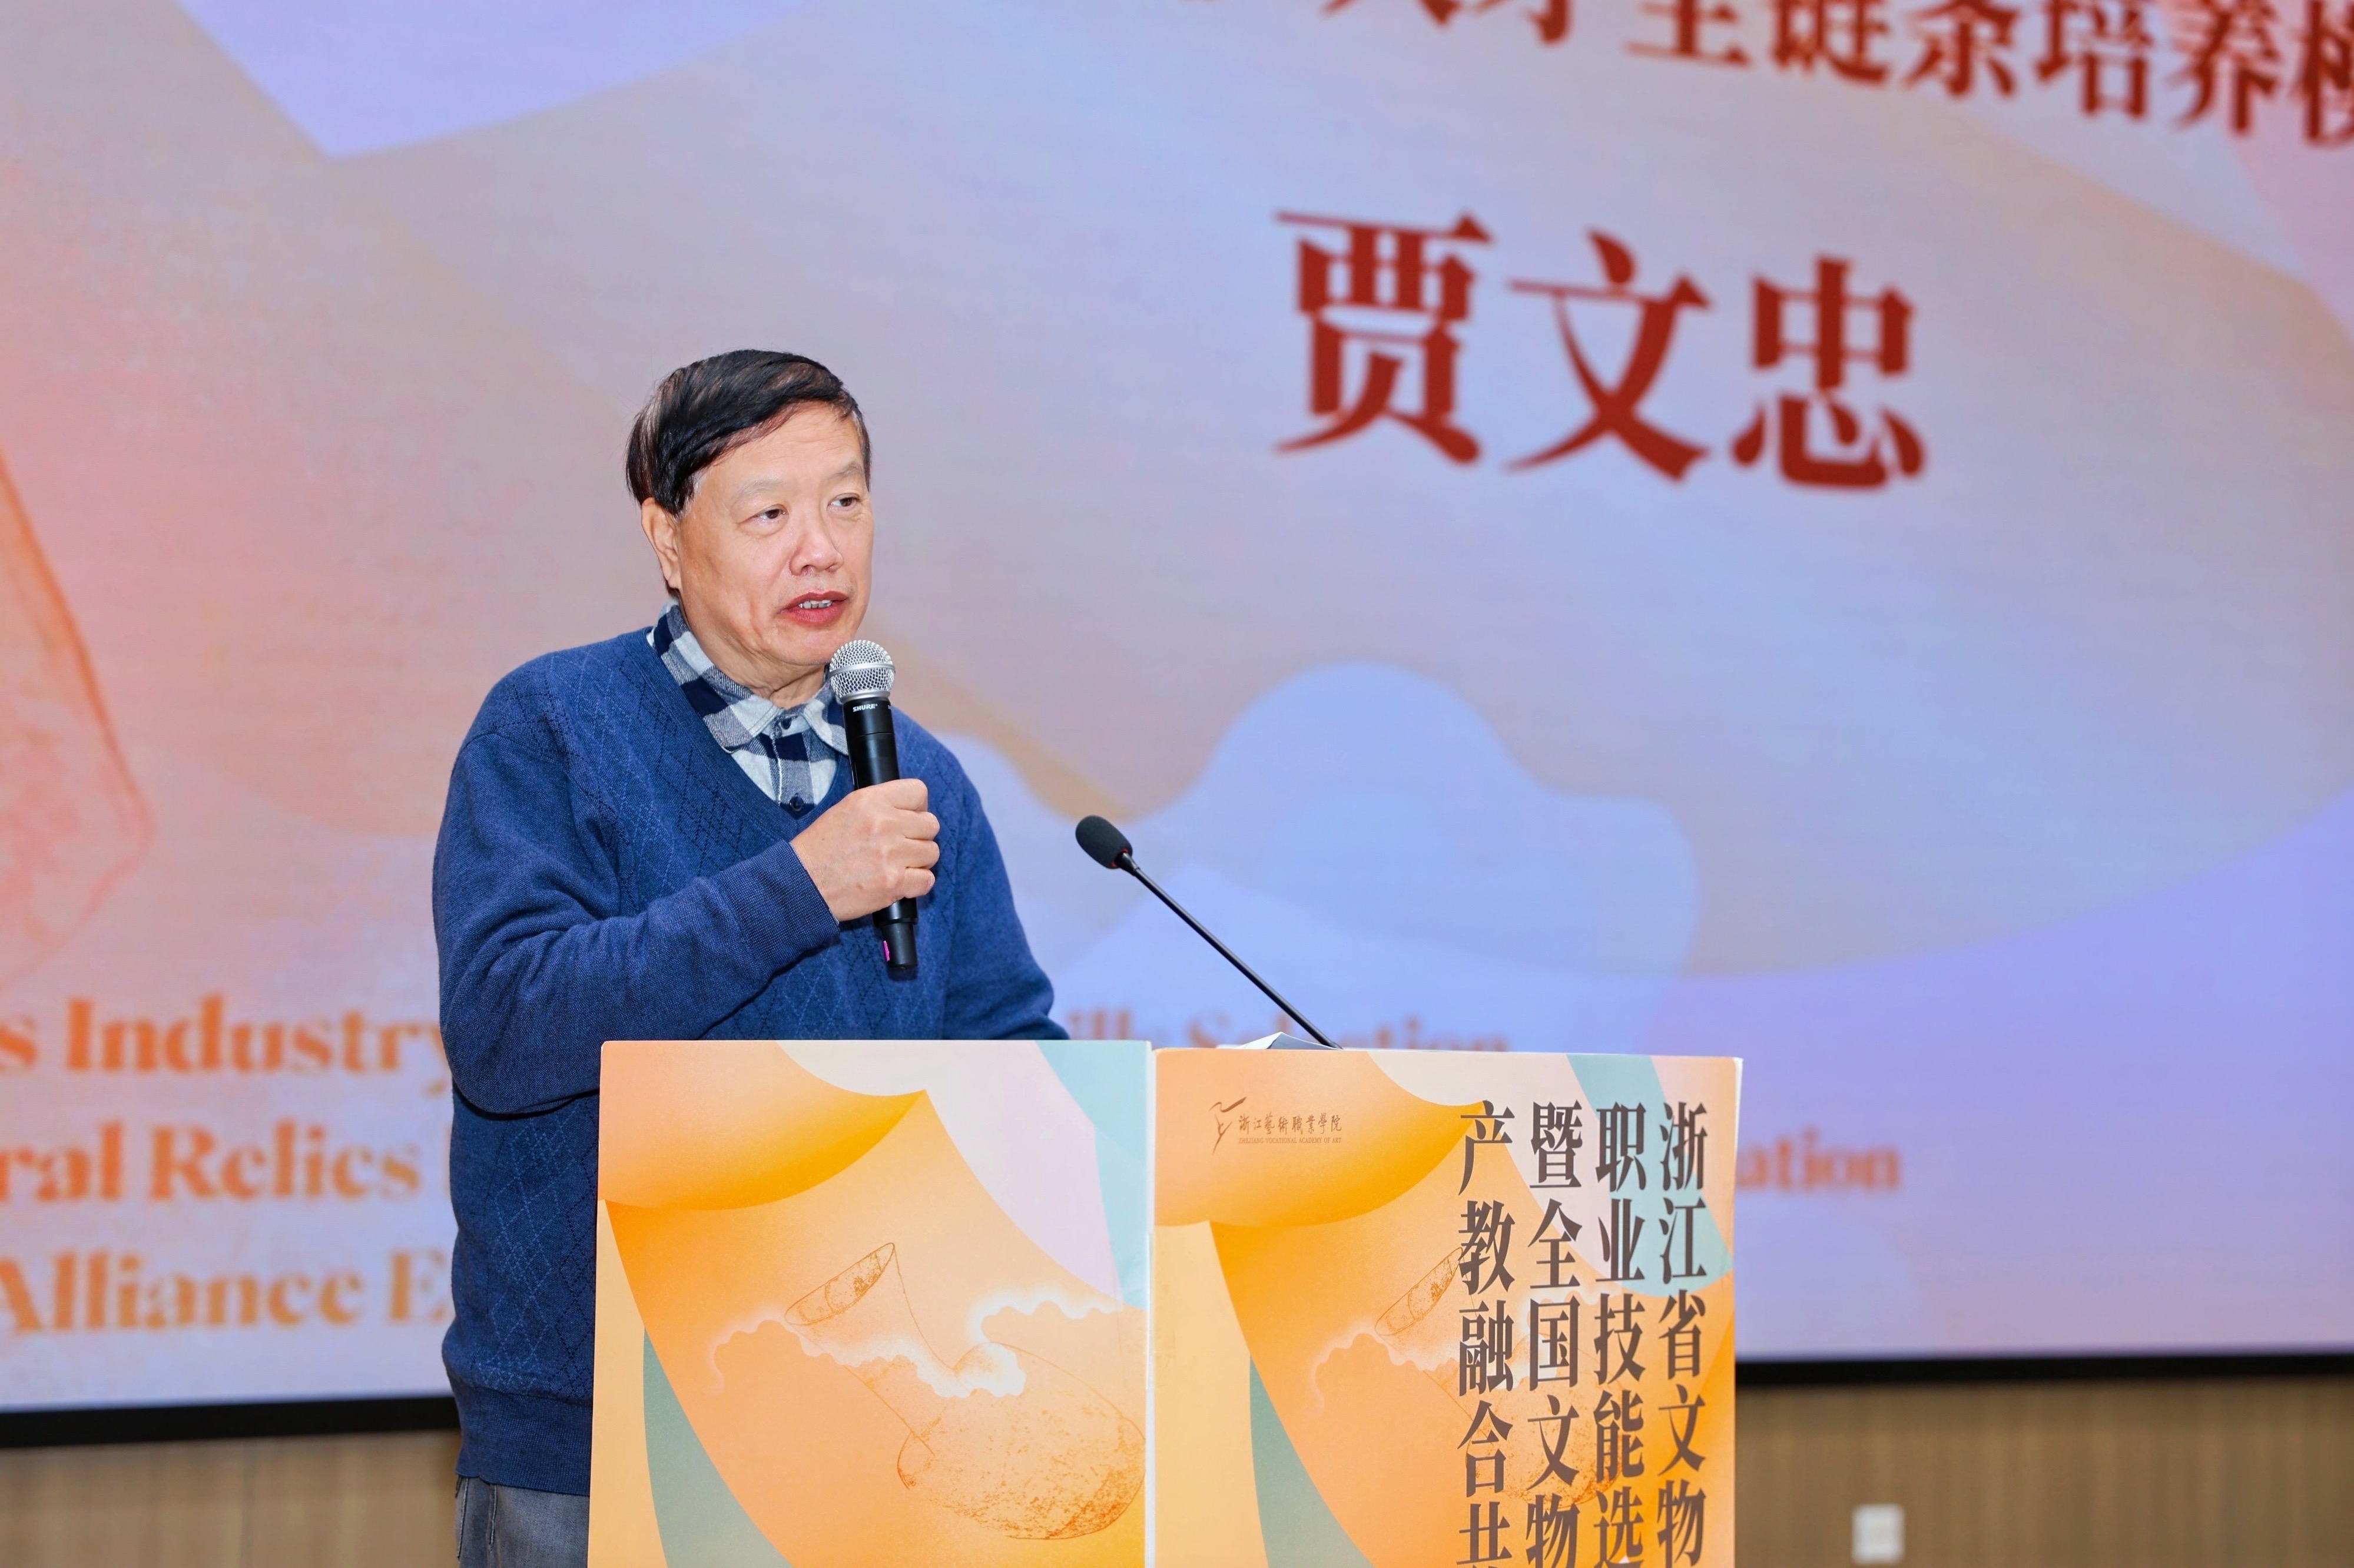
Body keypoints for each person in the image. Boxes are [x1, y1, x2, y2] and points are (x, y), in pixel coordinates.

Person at [432, 350, 1065, 1567]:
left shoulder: (922, 778)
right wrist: (802, 888)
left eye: (846, 503)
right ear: (668, 541)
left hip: (868, 1431)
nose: (820, 549)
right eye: (769, 514)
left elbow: (1007, 1054)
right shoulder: (554, 726)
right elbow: (508, 1028)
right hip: (598, 1432)